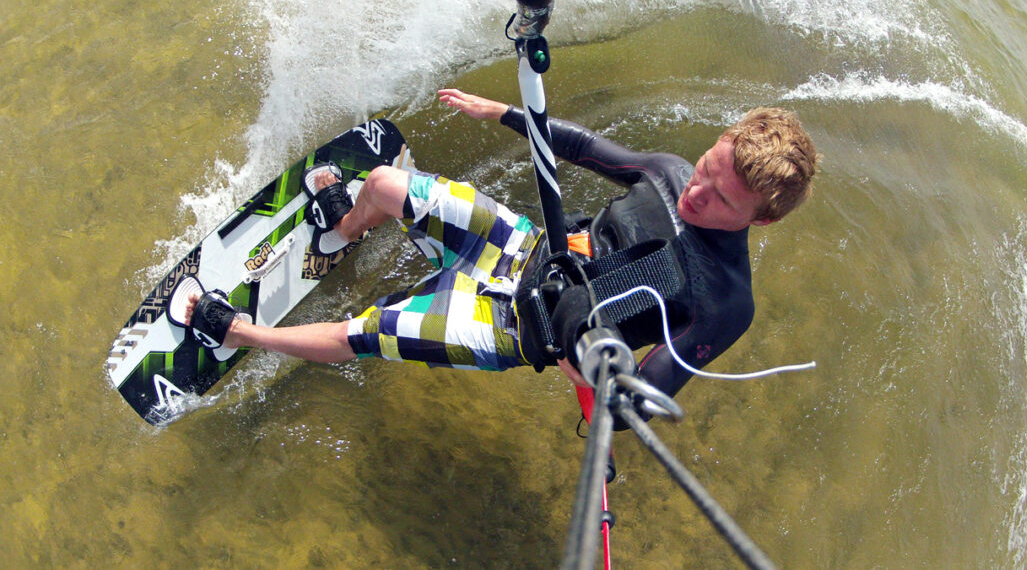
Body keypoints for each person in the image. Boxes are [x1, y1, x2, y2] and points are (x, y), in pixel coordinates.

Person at [175, 88, 819, 405]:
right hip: (519, 245)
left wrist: (586, 369)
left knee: (363, 332)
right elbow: (584, 148)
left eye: (721, 198)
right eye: (706, 167)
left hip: (511, 328)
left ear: (760, 220)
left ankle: (236, 333)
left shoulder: (725, 303)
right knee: (383, 183)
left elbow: (633, 406)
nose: (696, 193)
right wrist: (505, 113)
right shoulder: (672, 175)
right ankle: (341, 229)